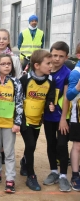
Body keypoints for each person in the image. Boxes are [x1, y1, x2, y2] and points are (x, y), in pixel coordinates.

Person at [19, 49, 56, 191]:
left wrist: (50, 105)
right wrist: (18, 119)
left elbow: (50, 97)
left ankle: (24, 162)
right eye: (48, 63)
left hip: (37, 119)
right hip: (24, 119)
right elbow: (18, 99)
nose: (51, 66)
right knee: (30, 145)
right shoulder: (25, 80)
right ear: (37, 65)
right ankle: (31, 176)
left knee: (31, 145)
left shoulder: (50, 81)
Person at [0, 54, 23, 193]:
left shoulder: (16, 82)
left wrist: (17, 122)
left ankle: (10, 179)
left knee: (8, 152)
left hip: (10, 124)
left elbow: (19, 103)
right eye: (3, 64)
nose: (7, 66)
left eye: (9, 64)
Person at [42, 41, 71, 192]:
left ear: (66, 57)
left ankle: (64, 176)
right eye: (54, 55)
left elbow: (66, 97)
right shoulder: (45, 70)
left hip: (61, 117)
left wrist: (63, 119)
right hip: (47, 116)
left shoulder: (67, 73)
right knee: (51, 143)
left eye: (61, 56)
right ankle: (54, 171)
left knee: (61, 145)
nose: (57, 59)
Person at [66, 42, 80, 191]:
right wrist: (77, 87)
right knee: (77, 146)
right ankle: (75, 175)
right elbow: (69, 95)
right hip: (78, 115)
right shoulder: (76, 72)